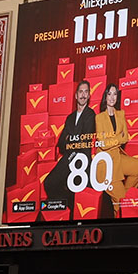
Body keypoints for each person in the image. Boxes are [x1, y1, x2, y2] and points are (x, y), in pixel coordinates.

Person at [43, 80, 96, 211]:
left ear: (89, 95)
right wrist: (74, 139)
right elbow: (61, 143)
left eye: (86, 92)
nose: (83, 95)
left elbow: (85, 140)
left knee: (76, 191)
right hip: (68, 156)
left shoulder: (91, 115)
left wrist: (70, 138)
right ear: (76, 95)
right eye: (80, 92)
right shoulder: (70, 117)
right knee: (49, 182)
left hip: (82, 159)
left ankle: (70, 210)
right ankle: (65, 209)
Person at [94, 83, 138, 202]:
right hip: (106, 163)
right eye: (109, 94)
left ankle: (126, 197)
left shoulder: (121, 114)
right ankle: (122, 204)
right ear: (105, 97)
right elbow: (103, 144)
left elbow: (126, 138)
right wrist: (118, 138)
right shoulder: (99, 117)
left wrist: (112, 140)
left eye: (115, 94)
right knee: (120, 202)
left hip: (118, 157)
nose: (112, 97)